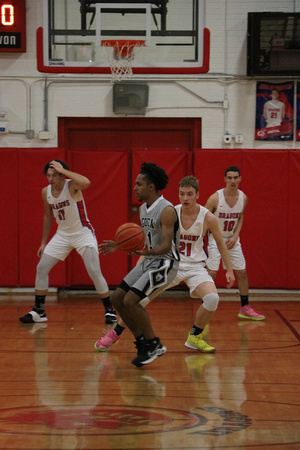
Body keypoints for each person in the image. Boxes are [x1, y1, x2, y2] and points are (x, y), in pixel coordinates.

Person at [95, 175, 235, 354]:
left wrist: (228, 269)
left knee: (212, 298)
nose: (185, 198)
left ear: (197, 195)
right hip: (168, 264)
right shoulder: (168, 212)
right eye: (182, 194)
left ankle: (195, 336)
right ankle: (115, 333)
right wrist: (140, 266)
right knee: (138, 301)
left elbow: (221, 244)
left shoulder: (208, 218)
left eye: (190, 194)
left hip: (195, 267)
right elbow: (149, 242)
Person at [95, 162, 180, 367]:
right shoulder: (143, 208)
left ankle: (154, 344)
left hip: (166, 263)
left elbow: (166, 246)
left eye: (139, 184)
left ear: (151, 187)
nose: (135, 188)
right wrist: (119, 245)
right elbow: (143, 240)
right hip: (150, 260)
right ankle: (142, 344)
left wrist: (145, 252)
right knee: (117, 298)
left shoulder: (167, 210)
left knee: (131, 300)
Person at [19, 159, 116, 325]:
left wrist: (64, 171)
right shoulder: (46, 192)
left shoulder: (72, 185)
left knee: (93, 270)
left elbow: (87, 182)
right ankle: (39, 310)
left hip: (82, 233)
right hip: (62, 235)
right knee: (41, 268)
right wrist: (43, 242)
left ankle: (109, 310)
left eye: (55, 175)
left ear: (62, 175)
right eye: (48, 175)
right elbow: (48, 216)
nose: (50, 179)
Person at [205, 166, 265, 321]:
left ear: (240, 179)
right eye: (229, 178)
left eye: (235, 177)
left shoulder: (243, 198)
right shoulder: (215, 198)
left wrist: (236, 235)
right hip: (215, 239)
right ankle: (205, 308)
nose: (232, 181)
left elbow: (240, 218)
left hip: (232, 239)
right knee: (211, 273)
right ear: (225, 179)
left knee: (242, 273)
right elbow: (203, 219)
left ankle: (245, 307)